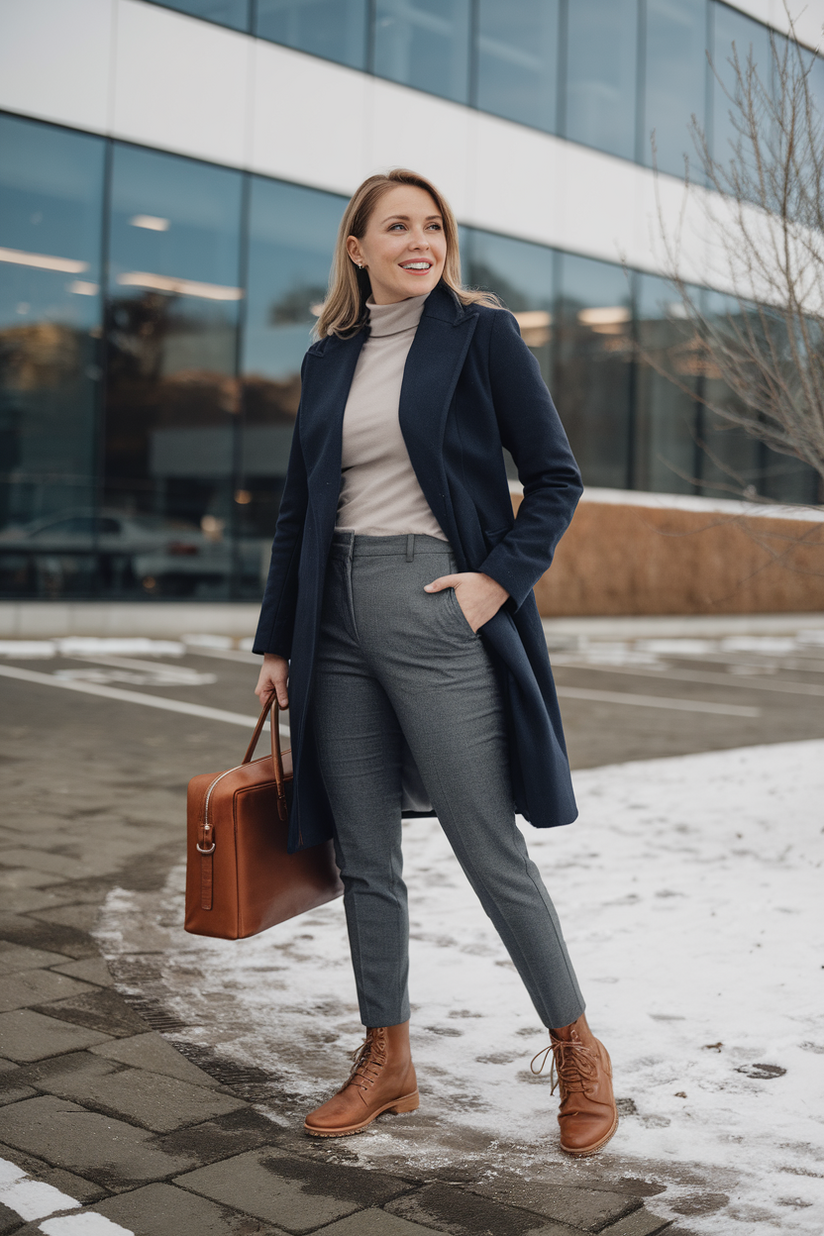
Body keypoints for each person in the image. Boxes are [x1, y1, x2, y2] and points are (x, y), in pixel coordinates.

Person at [253, 168, 617, 1155]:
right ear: (356, 248)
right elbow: (297, 509)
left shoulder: (479, 334)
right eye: (397, 226)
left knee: (485, 846)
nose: (421, 240)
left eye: (433, 225)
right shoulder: (327, 359)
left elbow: (553, 478)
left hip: (433, 604)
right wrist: (277, 639)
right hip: (331, 615)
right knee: (364, 855)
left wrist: (490, 586)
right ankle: (387, 1060)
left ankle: (577, 1049)